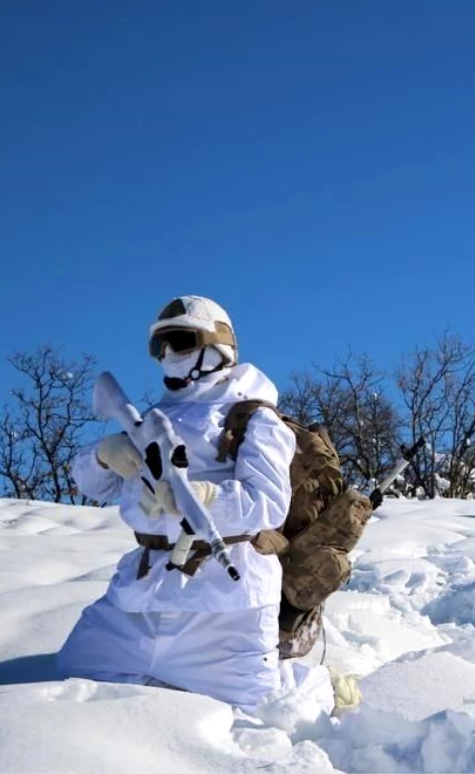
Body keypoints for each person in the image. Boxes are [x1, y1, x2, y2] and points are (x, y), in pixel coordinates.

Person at [56, 295, 351, 715]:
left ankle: (317, 684)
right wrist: (104, 454)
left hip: (226, 606)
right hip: (140, 596)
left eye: (180, 341)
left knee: (262, 716)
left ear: (218, 346)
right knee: (75, 679)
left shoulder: (254, 418)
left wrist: (202, 497)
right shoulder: (151, 419)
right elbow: (93, 487)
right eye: (160, 347)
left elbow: (266, 504)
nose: (169, 356)